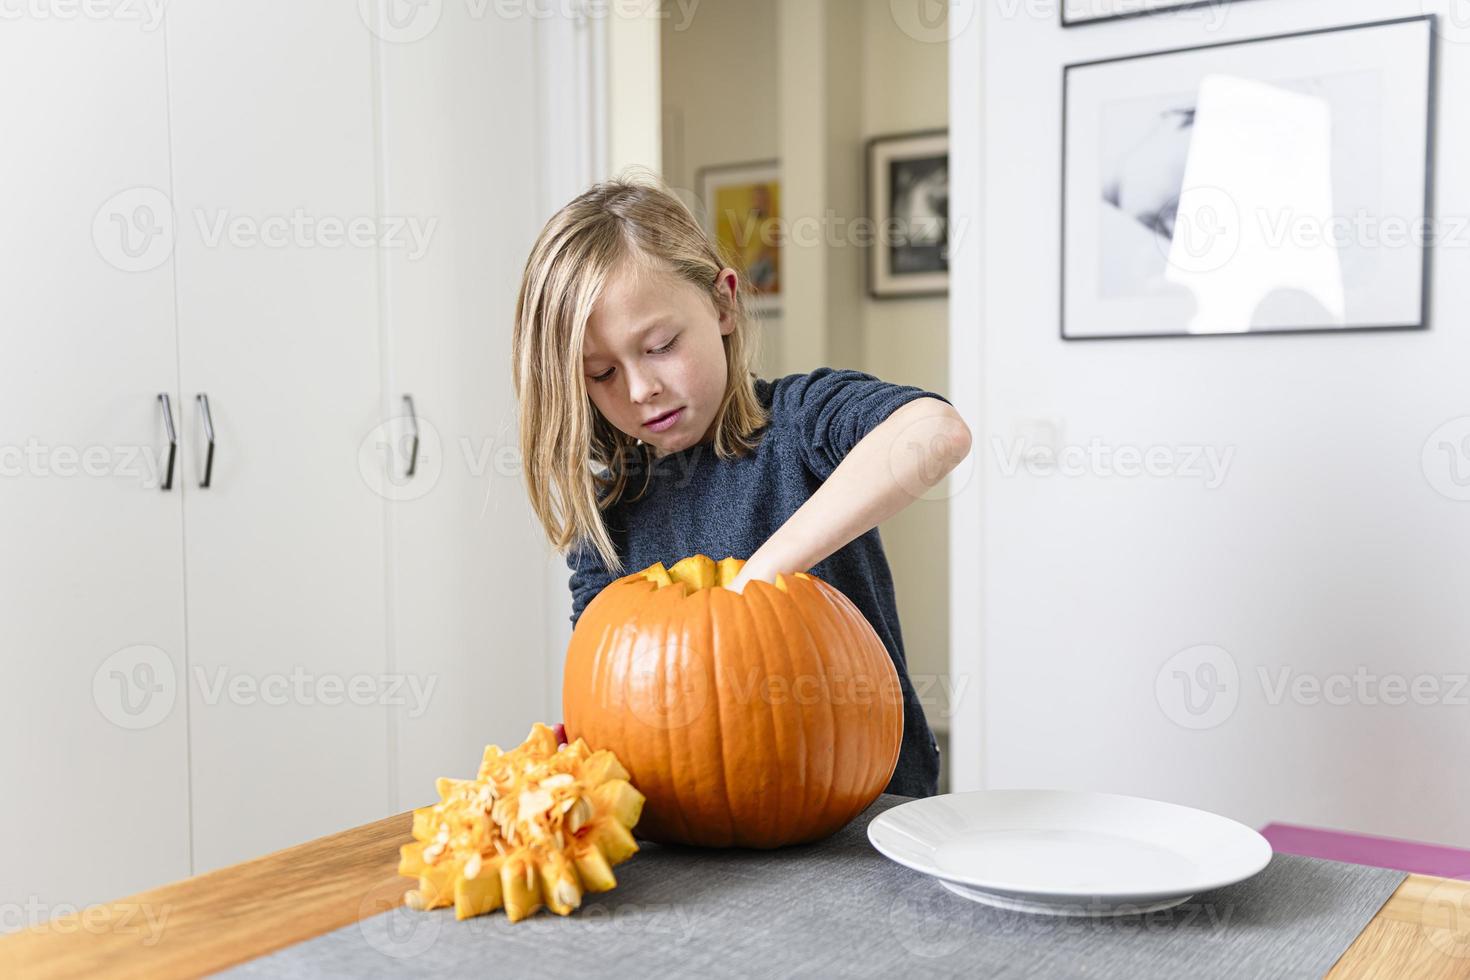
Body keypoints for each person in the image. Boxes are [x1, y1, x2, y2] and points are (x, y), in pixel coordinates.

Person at [510, 169, 971, 799]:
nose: (641, 389)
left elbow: (935, 433)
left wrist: (752, 584)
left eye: (662, 344)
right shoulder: (610, 512)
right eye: (602, 373)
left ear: (723, 304)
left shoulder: (802, 420)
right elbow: (610, 691)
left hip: (868, 810)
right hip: (694, 827)